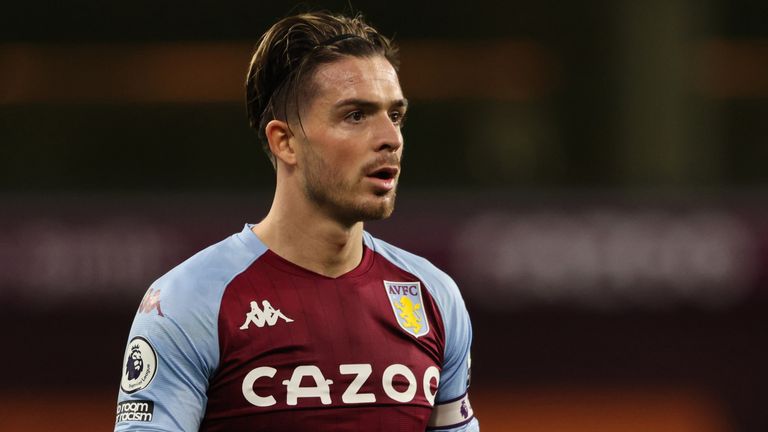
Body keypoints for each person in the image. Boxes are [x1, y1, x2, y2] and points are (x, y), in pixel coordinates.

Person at [114, 11, 478, 432]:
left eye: (395, 116)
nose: (391, 139)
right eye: (356, 115)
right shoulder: (188, 302)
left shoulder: (434, 296)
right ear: (284, 142)